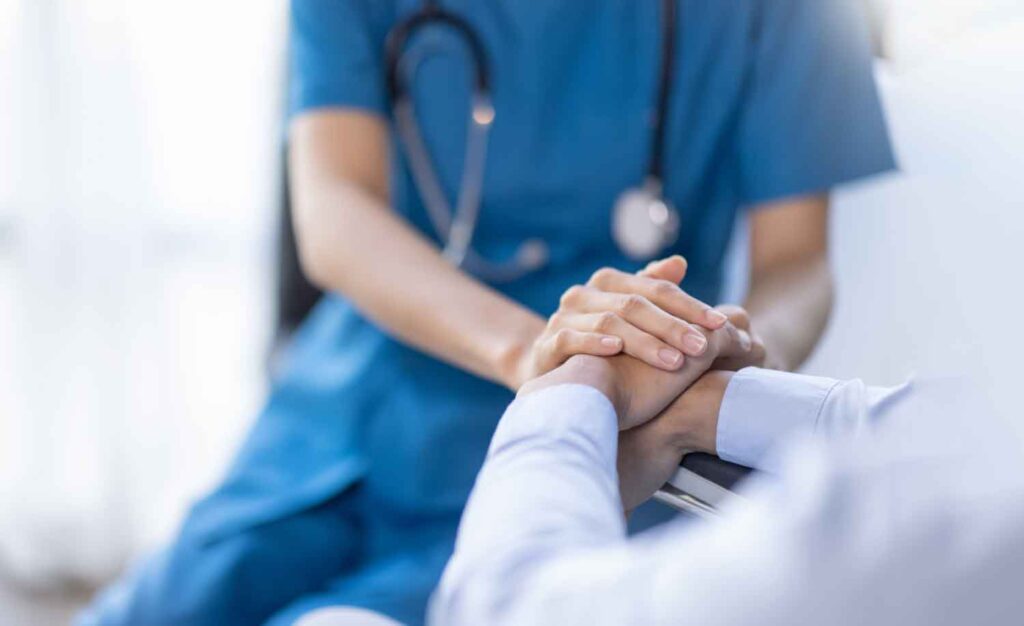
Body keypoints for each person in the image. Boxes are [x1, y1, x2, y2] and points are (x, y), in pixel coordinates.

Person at [79, 1, 894, 624]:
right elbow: (333, 211)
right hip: (363, 407)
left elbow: (796, 264)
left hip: (619, 440)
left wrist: (736, 357)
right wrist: (539, 355)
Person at [428, 327, 1024, 626]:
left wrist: (572, 388)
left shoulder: (928, 528)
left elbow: (509, 610)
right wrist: (711, 404)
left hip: (536, 503)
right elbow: (952, 427)